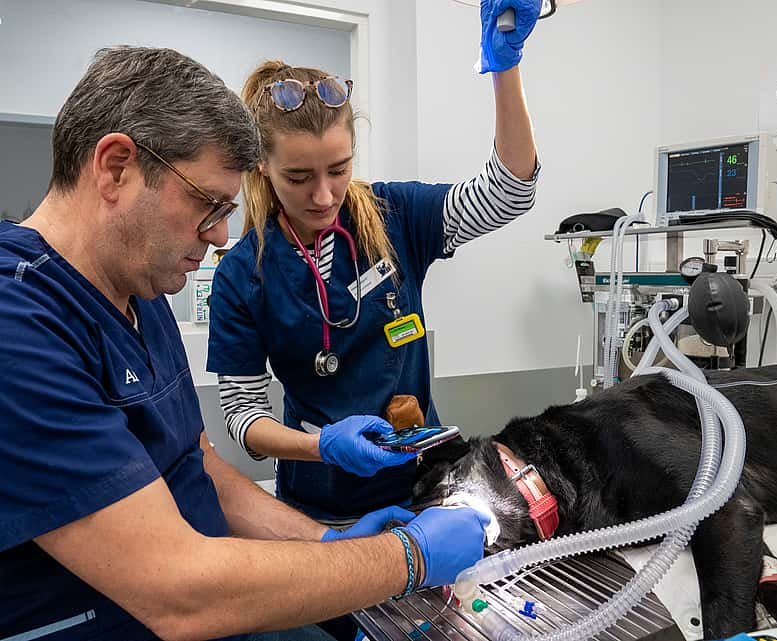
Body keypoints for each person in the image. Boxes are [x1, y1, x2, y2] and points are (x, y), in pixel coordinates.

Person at [0, 46, 489, 641]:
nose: (221, 234)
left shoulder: (140, 294)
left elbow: (197, 463)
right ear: (116, 168)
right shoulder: (19, 325)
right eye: (208, 204)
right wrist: (404, 558)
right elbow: (176, 590)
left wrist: (323, 540)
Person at [206, 0, 542, 525]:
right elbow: (243, 417)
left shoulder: (395, 216)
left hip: (428, 488)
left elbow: (510, 193)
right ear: (262, 167)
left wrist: (505, 69)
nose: (323, 195)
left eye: (339, 170)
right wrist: (321, 448)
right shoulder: (241, 276)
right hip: (322, 506)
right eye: (298, 177)